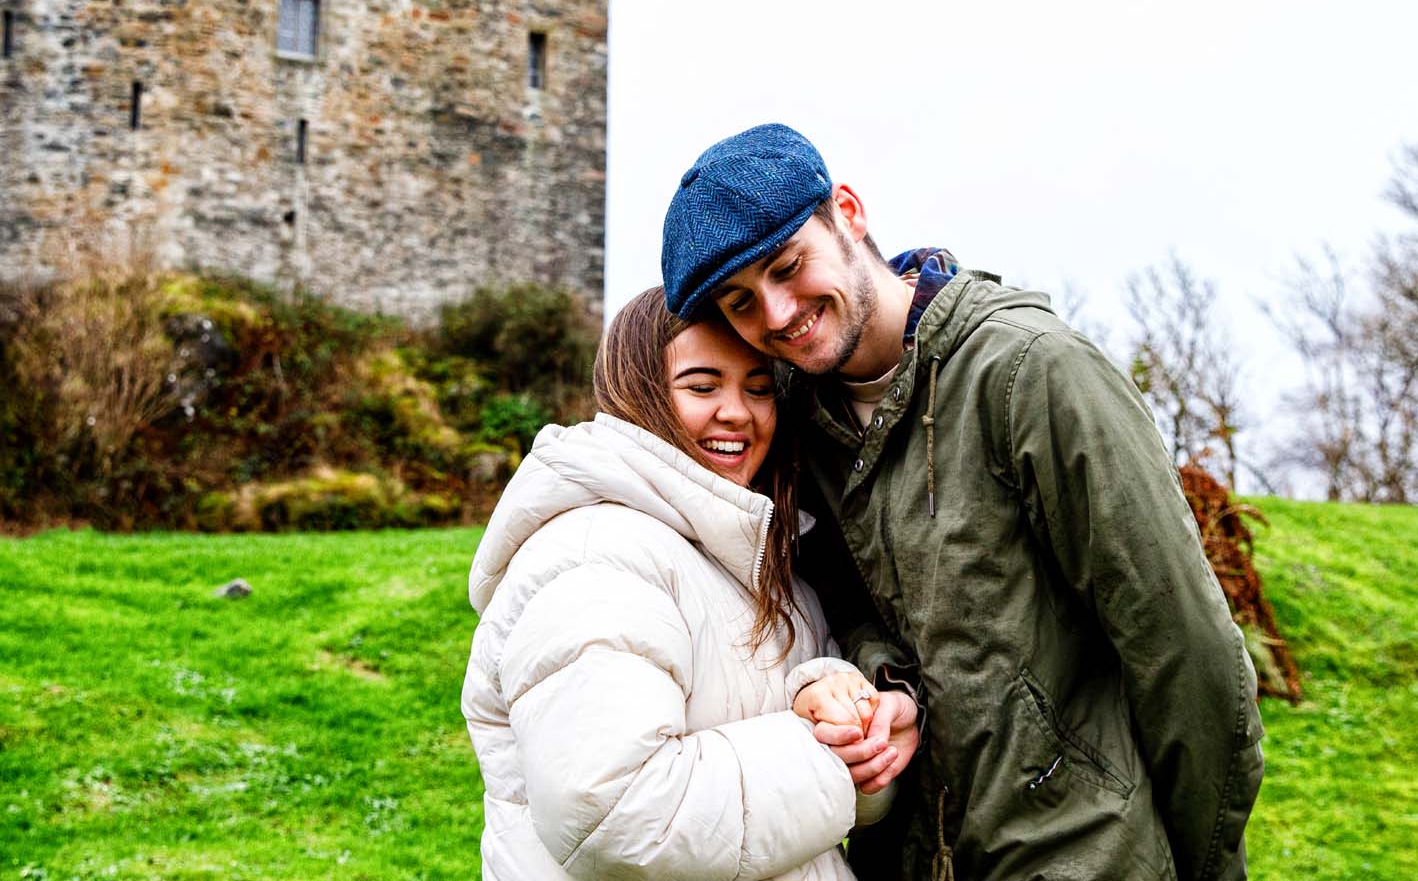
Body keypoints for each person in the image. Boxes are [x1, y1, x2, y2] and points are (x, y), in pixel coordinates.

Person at [660, 124, 1266, 881]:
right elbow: (843, 608)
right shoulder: (792, 420)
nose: (777, 314)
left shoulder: (1033, 375)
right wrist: (883, 684)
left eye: (788, 266)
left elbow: (1188, 654)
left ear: (848, 212)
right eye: (741, 302)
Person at [460, 286, 915, 881]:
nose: (738, 411)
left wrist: (850, 716)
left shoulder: (760, 556)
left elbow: (825, 801)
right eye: (702, 386)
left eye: (758, 388)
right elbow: (615, 816)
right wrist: (830, 756)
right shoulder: (597, 555)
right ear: (638, 393)